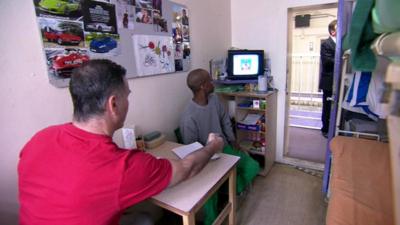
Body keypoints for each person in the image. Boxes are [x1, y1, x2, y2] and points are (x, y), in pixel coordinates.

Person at [18, 59, 224, 225]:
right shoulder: (121, 167)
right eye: (127, 96)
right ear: (114, 103)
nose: (128, 102)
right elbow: (186, 168)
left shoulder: (39, 139)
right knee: (144, 219)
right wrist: (213, 146)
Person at [180, 68, 260, 225]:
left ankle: (231, 188)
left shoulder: (215, 99)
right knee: (209, 193)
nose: (213, 82)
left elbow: (225, 120)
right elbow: (191, 149)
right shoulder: (188, 117)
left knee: (253, 166)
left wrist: (233, 140)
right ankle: (213, 216)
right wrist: (208, 156)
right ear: (203, 86)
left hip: (224, 148)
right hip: (205, 157)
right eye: (210, 80)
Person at [319, 20, 337, 138]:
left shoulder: (340, 43)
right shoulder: (326, 44)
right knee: (327, 105)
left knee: (334, 105)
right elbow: (327, 62)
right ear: (333, 31)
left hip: (336, 80)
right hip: (328, 81)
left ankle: (334, 128)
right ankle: (325, 129)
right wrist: (341, 59)